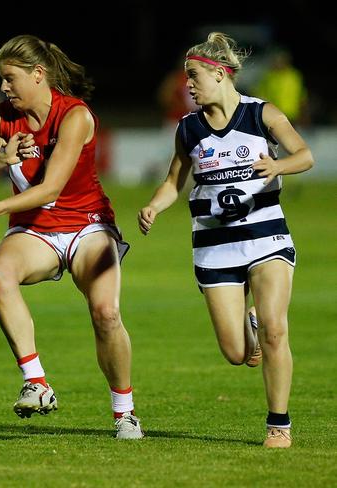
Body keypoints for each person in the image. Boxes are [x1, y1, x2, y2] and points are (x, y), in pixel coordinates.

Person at [0, 35, 144, 439]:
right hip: (36, 230)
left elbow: (52, 188)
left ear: (38, 75)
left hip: (88, 225)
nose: (4, 87)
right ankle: (36, 382)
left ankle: (124, 413)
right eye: (1, 79)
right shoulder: (3, 115)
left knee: (106, 313)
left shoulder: (75, 116)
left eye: (10, 78)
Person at [137, 32, 314, 448]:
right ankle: (248, 325)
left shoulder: (262, 115)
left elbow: (304, 155)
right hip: (215, 247)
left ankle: (279, 425)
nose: (188, 86)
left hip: (267, 237)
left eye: (194, 77)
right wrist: (154, 206)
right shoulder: (189, 128)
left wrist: (278, 165)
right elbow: (172, 182)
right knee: (236, 352)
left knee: (275, 332)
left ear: (220, 74)